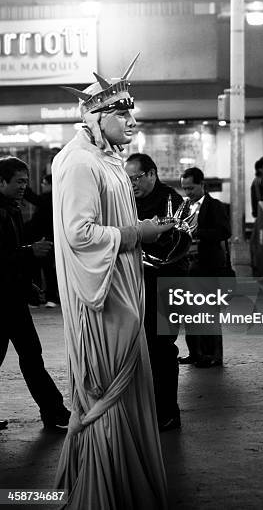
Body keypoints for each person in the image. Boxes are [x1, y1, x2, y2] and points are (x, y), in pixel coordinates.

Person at [53, 59, 173, 509]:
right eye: (123, 113)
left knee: (131, 388)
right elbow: (79, 234)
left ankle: (123, 488)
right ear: (96, 115)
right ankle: (103, 492)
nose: (132, 121)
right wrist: (136, 233)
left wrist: (143, 229)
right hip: (102, 300)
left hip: (122, 289)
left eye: (132, 112)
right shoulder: (79, 162)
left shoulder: (107, 160)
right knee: (112, 391)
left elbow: (110, 225)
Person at [0, 156, 70, 431]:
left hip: (12, 299)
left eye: (26, 182)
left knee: (31, 355)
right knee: (30, 356)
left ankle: (54, 412)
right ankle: (54, 412)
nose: (23, 187)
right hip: (2, 302)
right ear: (1, 181)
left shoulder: (12, 209)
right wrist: (30, 252)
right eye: (19, 182)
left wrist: (26, 285)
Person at [125, 152, 188, 432]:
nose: (133, 184)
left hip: (167, 286)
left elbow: (173, 245)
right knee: (142, 349)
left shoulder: (171, 201)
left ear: (152, 173)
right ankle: (148, 410)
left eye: (136, 177)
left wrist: (141, 241)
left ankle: (168, 412)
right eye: (128, 179)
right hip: (137, 286)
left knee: (162, 349)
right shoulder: (128, 203)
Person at [179, 167, 231, 368]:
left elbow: (224, 231)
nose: (188, 192)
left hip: (209, 266)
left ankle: (214, 355)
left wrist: (197, 232)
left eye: (191, 188)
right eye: (185, 188)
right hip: (188, 267)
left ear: (202, 185)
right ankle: (195, 353)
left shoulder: (214, 206)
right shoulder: (183, 207)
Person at [25, 174, 59, 308]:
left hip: (47, 239)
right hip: (43, 238)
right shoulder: (50, 199)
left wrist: (23, 186)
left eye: (45, 183)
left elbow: (35, 199)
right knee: (42, 268)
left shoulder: (50, 198)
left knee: (47, 269)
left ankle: (49, 297)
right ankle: (41, 297)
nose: (42, 186)